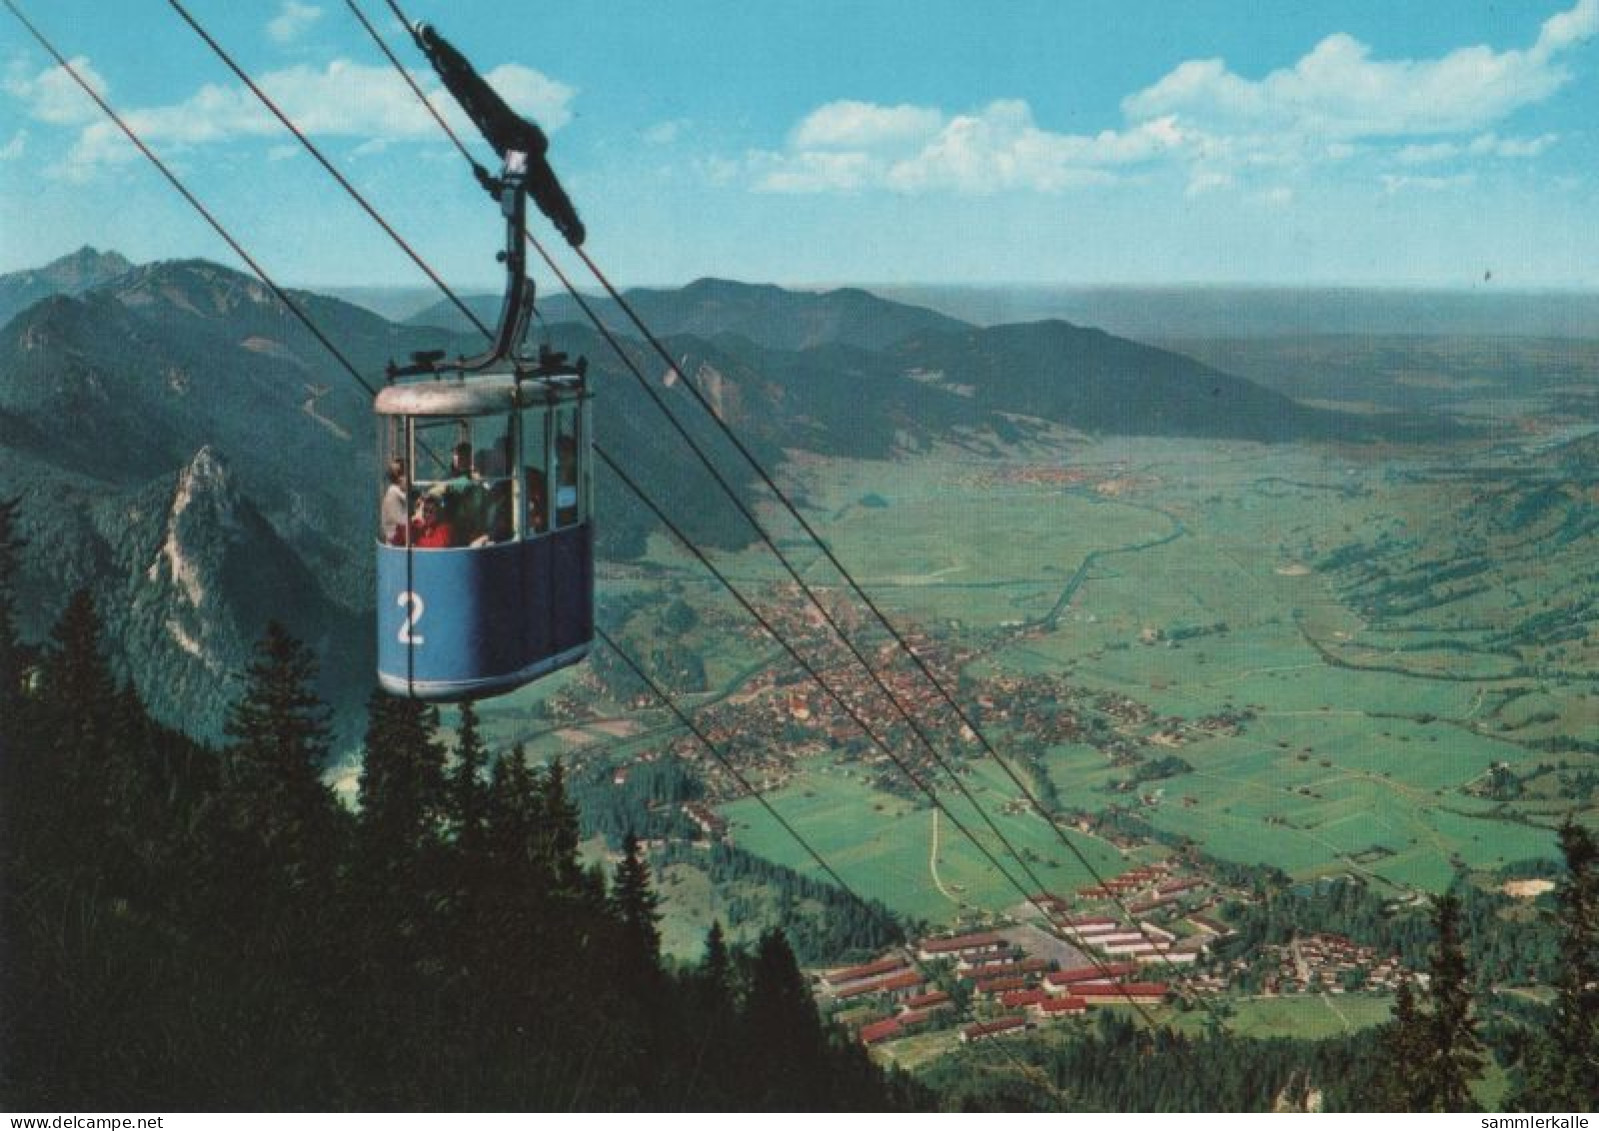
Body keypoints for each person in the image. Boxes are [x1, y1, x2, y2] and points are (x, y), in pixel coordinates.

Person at [380, 458, 409, 544]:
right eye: (407, 475)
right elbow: (401, 522)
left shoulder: (397, 493)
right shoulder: (393, 494)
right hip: (395, 545)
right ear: (401, 478)